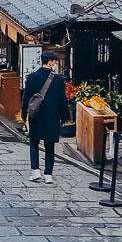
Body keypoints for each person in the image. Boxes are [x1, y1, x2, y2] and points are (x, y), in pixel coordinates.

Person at [20, 53, 70, 182]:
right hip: (52, 116)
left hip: (36, 115)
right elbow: (62, 100)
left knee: (34, 144)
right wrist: (65, 117)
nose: (55, 64)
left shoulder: (31, 78)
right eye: (54, 62)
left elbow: (26, 98)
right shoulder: (58, 80)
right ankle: (48, 175)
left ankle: (36, 171)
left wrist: (24, 114)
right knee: (49, 146)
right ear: (50, 62)